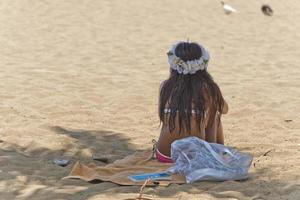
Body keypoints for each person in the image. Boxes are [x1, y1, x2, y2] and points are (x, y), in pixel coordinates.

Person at [156, 41, 228, 163]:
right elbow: (225, 109)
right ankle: (217, 151)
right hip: (196, 158)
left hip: (165, 154)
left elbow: (162, 117)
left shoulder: (165, 86)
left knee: (176, 115)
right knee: (215, 114)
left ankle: (213, 150)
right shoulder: (208, 88)